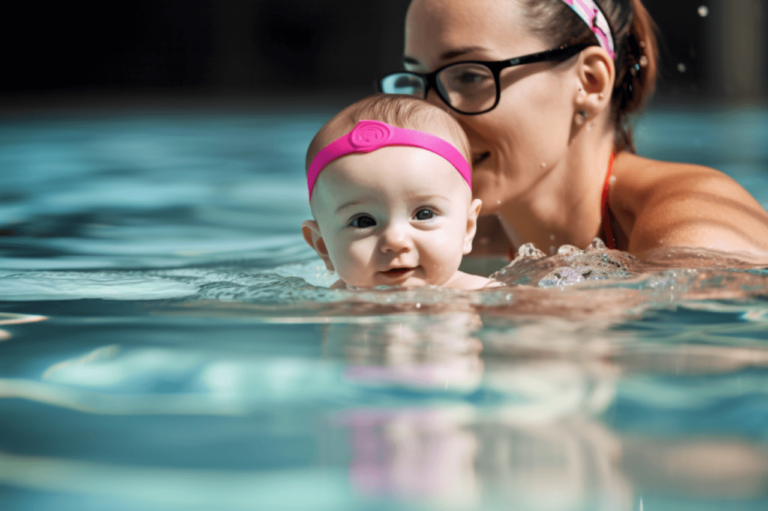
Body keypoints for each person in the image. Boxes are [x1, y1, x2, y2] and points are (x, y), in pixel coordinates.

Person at [379, 0, 768, 261]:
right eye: (417, 82)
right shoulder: (454, 242)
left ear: (590, 82)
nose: (434, 116)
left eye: (468, 75)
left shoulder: (694, 230)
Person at [301, 94, 497, 290]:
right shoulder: (333, 303)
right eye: (363, 222)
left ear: (468, 228)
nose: (395, 240)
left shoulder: (481, 293)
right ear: (323, 246)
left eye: (424, 214)